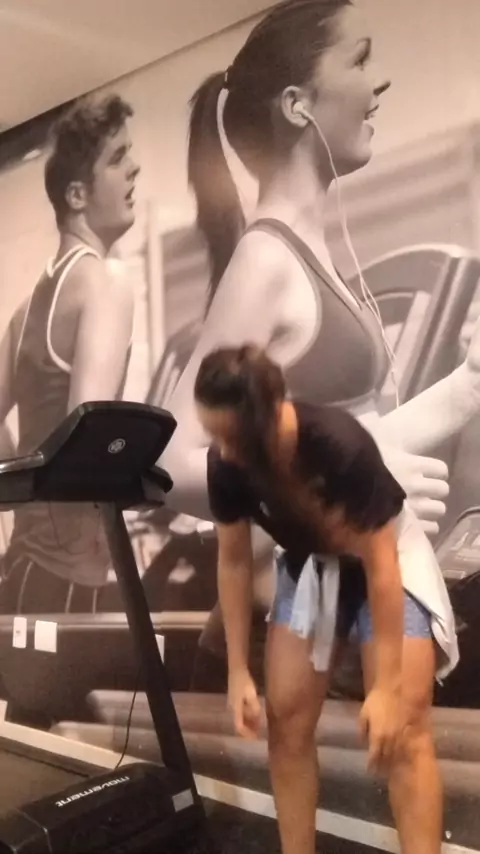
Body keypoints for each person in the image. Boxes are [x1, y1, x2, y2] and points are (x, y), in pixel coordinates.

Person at [161, 0, 480, 694]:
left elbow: (347, 440)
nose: (379, 81)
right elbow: (173, 461)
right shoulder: (265, 262)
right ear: (297, 104)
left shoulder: (315, 253)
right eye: (359, 59)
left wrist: (469, 383)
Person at [194, 344, 457, 854]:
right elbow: (234, 560)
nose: (223, 451)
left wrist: (385, 688)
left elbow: (381, 566)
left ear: (270, 420)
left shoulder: (340, 445)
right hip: (311, 565)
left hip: (388, 559)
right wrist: (237, 670)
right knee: (286, 721)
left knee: (404, 728)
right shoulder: (226, 463)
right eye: (214, 435)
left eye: (232, 437)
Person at [0, 93, 140, 614]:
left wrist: (24, 493)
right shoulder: (105, 282)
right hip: (71, 578)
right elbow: (89, 437)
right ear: (77, 195)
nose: (135, 168)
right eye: (118, 158)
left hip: (23, 570)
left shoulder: (23, 313)